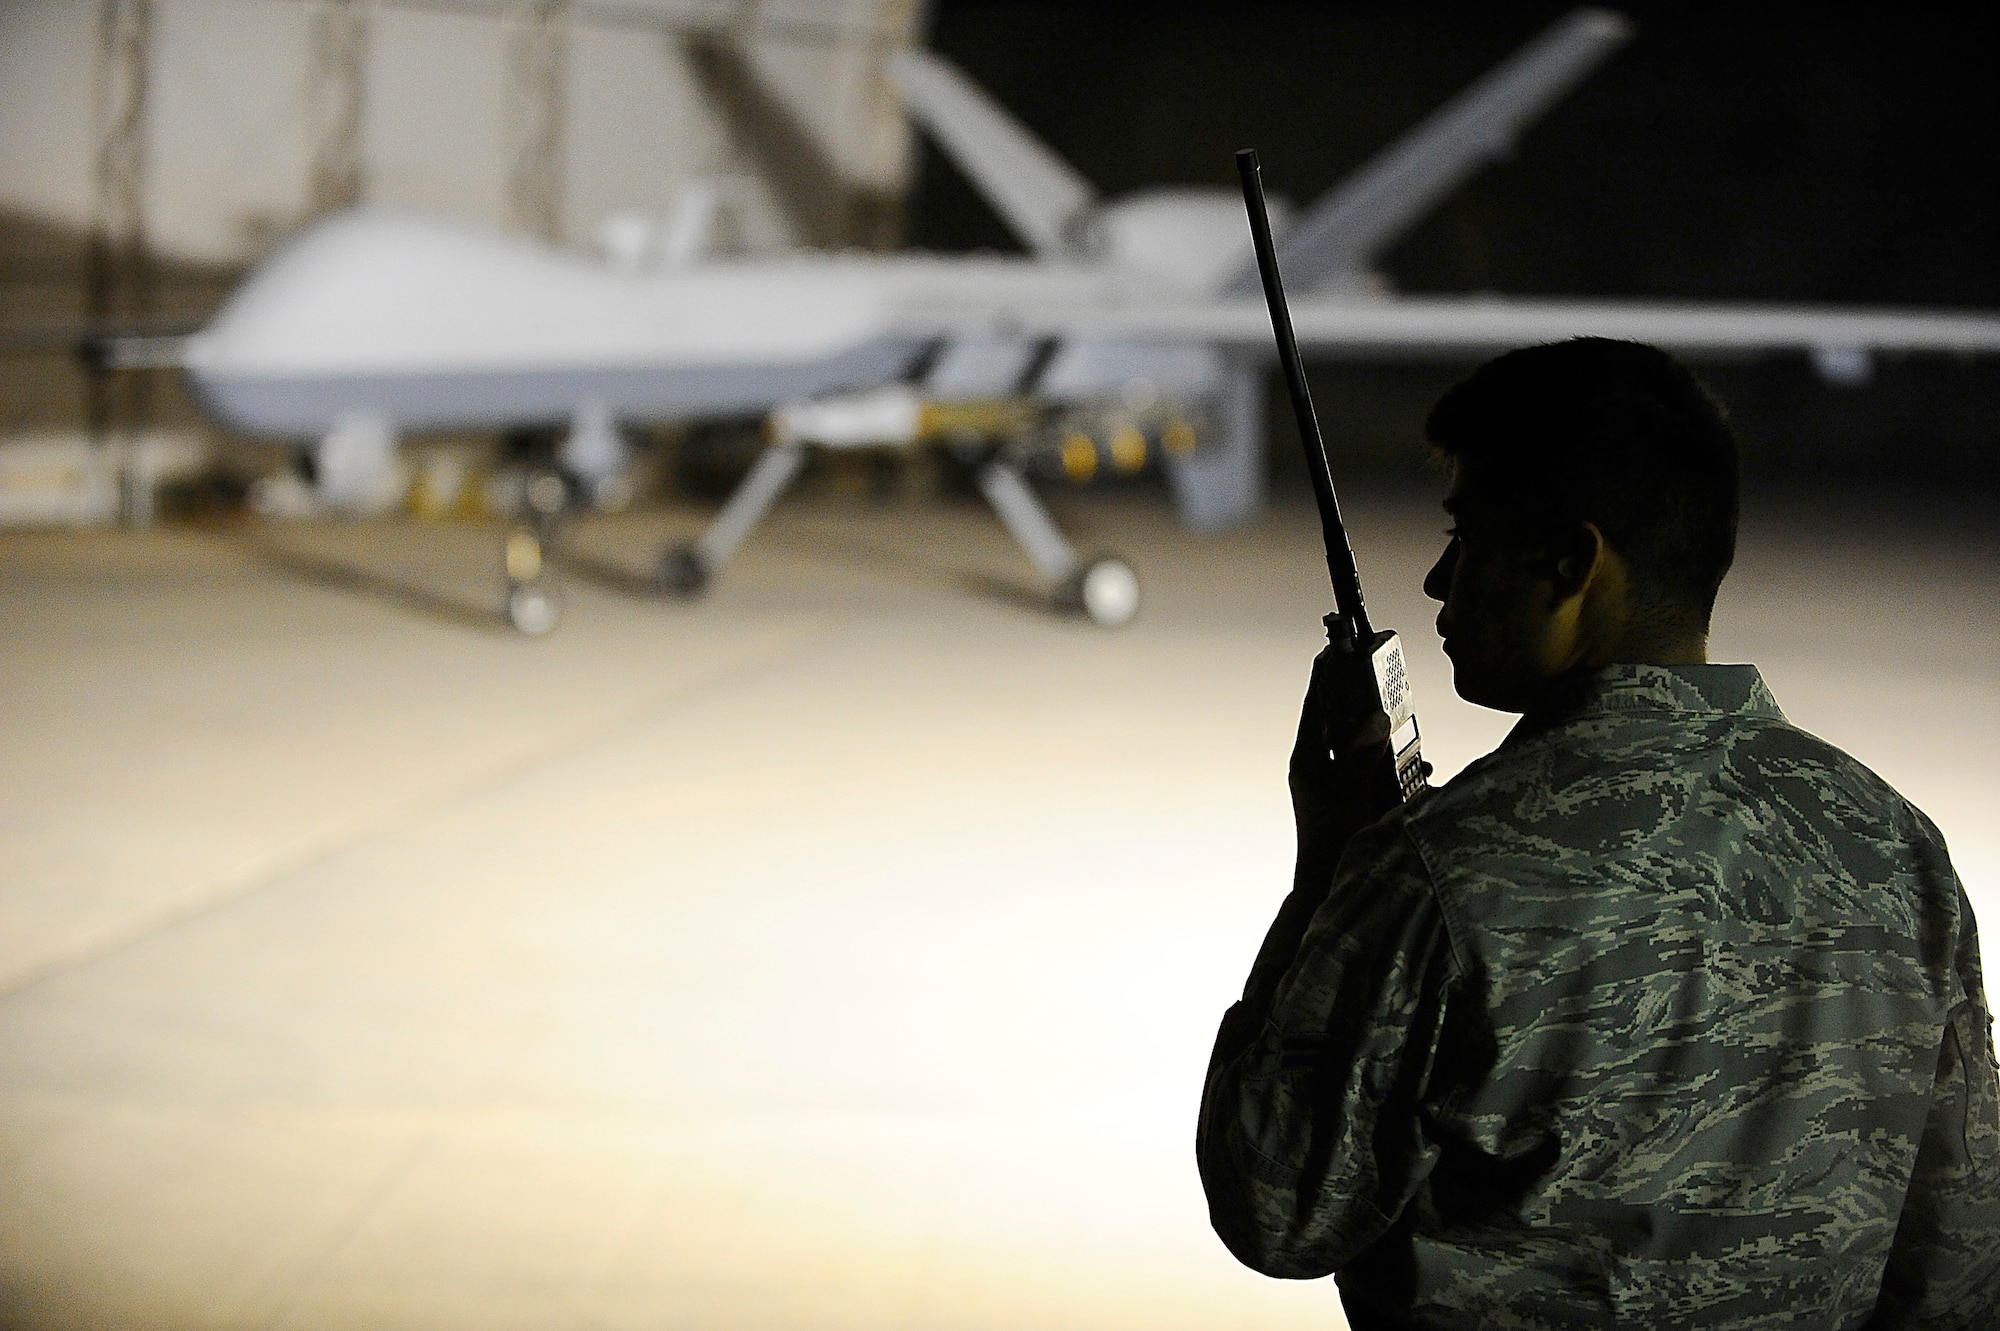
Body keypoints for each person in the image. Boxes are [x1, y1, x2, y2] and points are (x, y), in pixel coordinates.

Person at [1196, 338, 2000, 1327]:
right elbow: (1954, 1265)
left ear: (1570, 562)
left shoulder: (1442, 869)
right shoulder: (1895, 850)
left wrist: (1328, 863)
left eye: (1469, 534)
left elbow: (1273, 1207)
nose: (1441, 582)